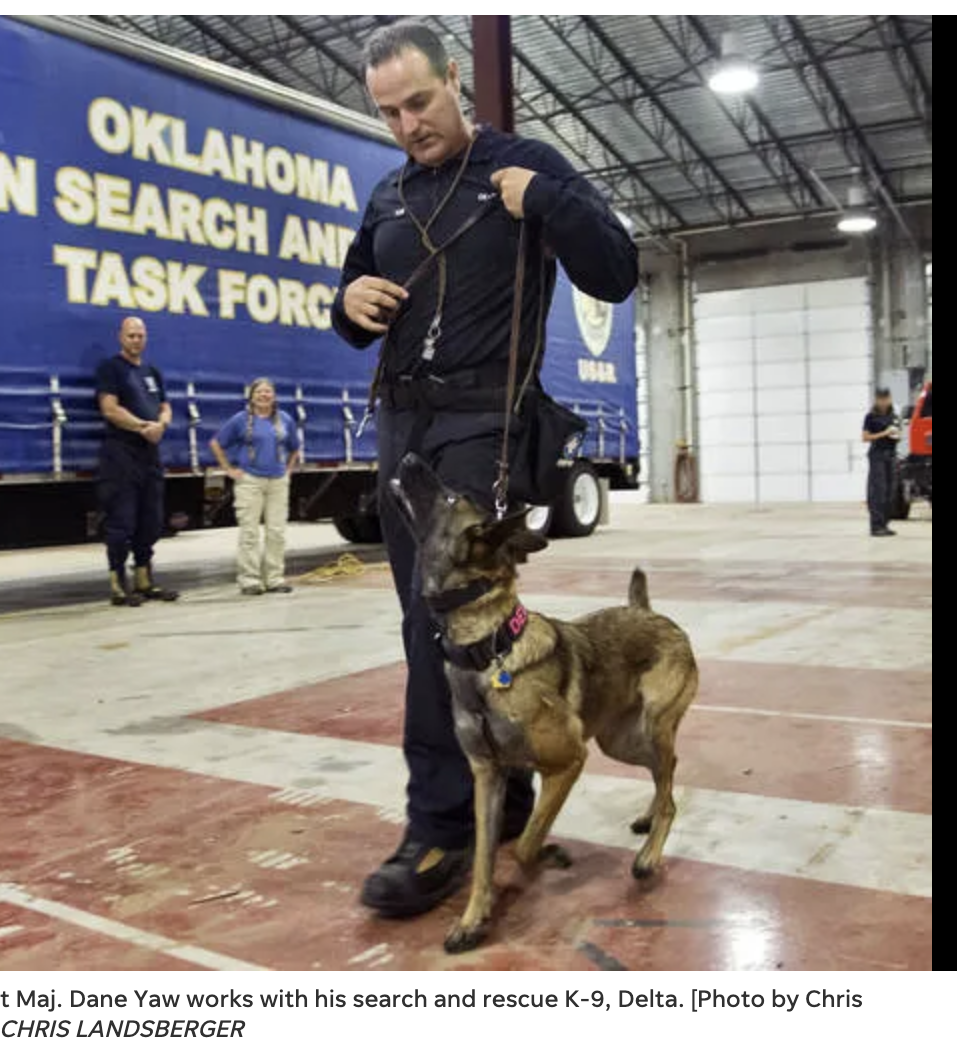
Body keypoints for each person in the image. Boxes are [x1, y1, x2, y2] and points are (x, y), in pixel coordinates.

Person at [331, 20, 638, 918]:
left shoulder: (524, 165)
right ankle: (495, 794)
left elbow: (615, 272)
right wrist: (347, 305)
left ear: (455, 80)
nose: (407, 125)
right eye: (387, 112)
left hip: (484, 426)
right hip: (402, 425)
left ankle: (437, 829)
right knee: (426, 626)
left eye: (419, 102)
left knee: (445, 625)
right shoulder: (388, 195)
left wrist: (547, 201)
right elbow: (349, 305)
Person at [95, 317, 181, 606]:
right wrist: (144, 427)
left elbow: (166, 406)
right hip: (121, 455)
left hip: (150, 456)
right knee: (122, 522)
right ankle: (119, 585)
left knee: (151, 520)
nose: (136, 340)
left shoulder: (151, 372)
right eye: (131, 335)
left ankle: (145, 580)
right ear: (121, 337)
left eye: (140, 335)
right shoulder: (111, 369)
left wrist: (162, 424)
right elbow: (110, 409)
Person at [210, 378, 301, 595]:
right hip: (250, 481)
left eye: (268, 391)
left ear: (274, 396)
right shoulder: (241, 420)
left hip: (278, 481)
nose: (264, 395)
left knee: (276, 532)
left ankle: (274, 579)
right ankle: (250, 580)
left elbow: (295, 447)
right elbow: (216, 443)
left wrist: (287, 470)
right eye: (259, 392)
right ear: (251, 396)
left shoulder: (284, 420)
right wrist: (229, 470)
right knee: (249, 532)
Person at [862, 386, 901, 537]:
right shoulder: (871, 417)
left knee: (890, 491)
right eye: (881, 399)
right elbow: (865, 437)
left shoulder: (894, 416)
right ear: (877, 399)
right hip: (877, 455)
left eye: (886, 398)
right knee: (878, 490)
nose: (884, 402)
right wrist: (884, 433)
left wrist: (896, 435)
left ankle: (885, 523)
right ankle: (876, 526)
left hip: (891, 455)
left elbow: (898, 434)